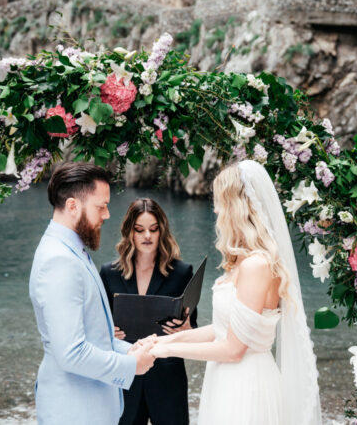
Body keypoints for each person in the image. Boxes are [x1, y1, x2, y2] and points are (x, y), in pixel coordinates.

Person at [150, 160, 322, 425]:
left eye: (219, 202)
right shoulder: (245, 261)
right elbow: (225, 329)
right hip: (226, 379)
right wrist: (163, 341)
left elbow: (233, 349)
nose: (216, 210)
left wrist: (165, 352)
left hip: (245, 385)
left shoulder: (257, 265)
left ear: (236, 207)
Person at [29, 162, 155, 425]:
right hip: (74, 411)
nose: (107, 214)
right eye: (101, 206)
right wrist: (131, 366)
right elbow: (71, 352)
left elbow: (95, 337)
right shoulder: (59, 260)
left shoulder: (71, 250)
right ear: (73, 206)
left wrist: (132, 349)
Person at [100, 198, 196, 425]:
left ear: (161, 230)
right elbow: (97, 327)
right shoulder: (109, 273)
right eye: (140, 230)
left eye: (153, 229)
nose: (147, 236)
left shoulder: (181, 273)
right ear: (129, 232)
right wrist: (107, 333)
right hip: (124, 377)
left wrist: (186, 329)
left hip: (167, 377)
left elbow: (194, 329)